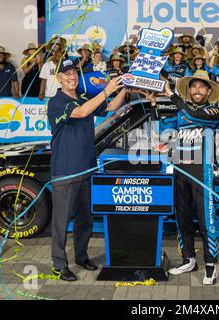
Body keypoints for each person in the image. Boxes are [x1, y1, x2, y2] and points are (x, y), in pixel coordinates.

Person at [47, 60, 127, 281]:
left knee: (85, 219)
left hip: (87, 169)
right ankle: (59, 264)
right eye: (66, 74)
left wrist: (124, 89)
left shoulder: (83, 97)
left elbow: (111, 107)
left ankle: (81, 256)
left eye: (74, 73)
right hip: (66, 171)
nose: (71, 77)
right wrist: (106, 90)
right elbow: (81, 113)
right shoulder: (56, 102)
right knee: (61, 222)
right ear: (59, 78)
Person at [141, 72, 219, 285]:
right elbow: (159, 132)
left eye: (202, 87)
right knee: (183, 218)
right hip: (180, 172)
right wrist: (152, 105)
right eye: (193, 87)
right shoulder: (182, 114)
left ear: (208, 92)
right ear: (189, 90)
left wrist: (169, 93)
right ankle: (189, 259)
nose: (197, 90)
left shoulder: (214, 112)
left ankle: (210, 266)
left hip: (202, 173)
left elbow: (191, 113)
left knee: (207, 222)